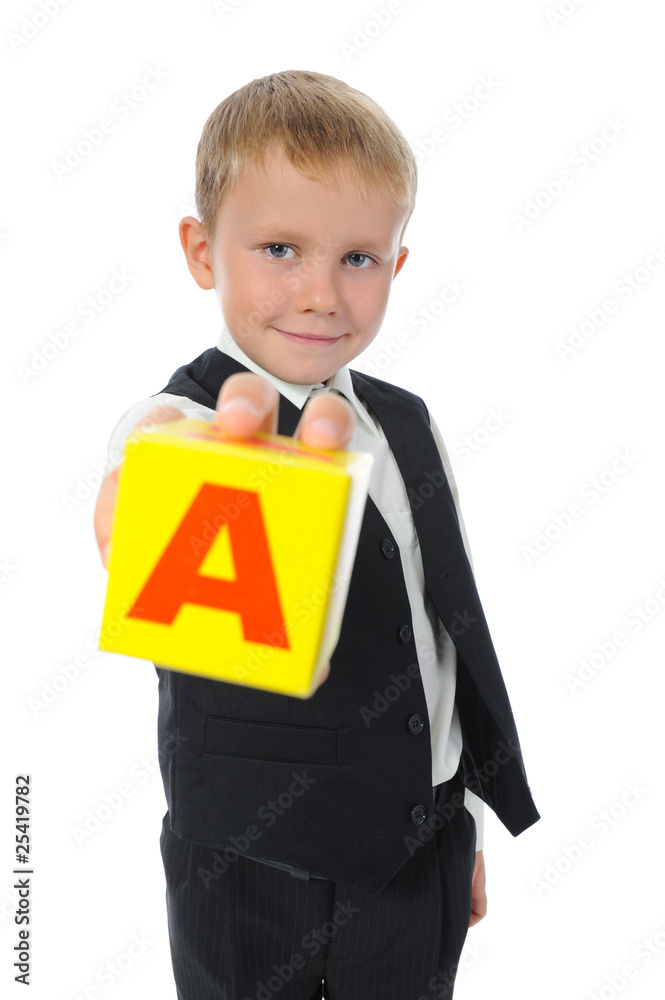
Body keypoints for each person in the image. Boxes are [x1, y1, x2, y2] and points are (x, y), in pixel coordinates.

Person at [94, 69, 539, 1000]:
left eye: (358, 259)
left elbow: (445, 639)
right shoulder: (182, 423)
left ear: (396, 268)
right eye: (280, 249)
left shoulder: (406, 422)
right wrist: (167, 504)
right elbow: (147, 497)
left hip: (419, 848)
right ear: (202, 251)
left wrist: (463, 825)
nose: (320, 295)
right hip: (247, 864)